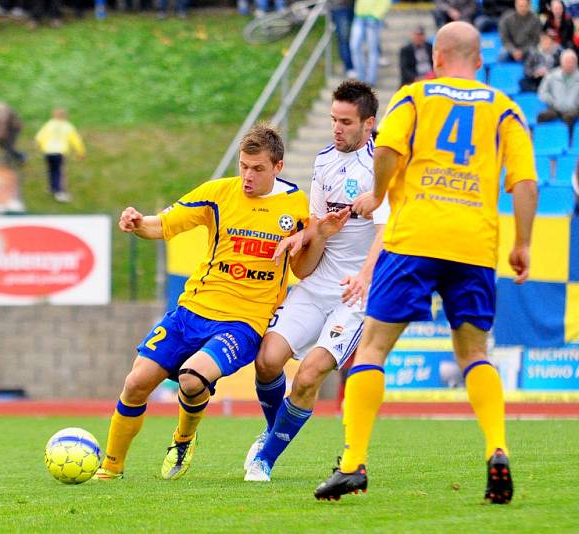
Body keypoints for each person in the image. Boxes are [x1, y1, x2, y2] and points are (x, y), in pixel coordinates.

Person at [314, 21, 538, 504]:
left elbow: (390, 150)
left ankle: (353, 464)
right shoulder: (506, 109)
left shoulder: (415, 97)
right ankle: (497, 449)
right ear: (480, 62)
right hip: (474, 244)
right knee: (475, 354)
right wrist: (522, 243)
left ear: (436, 57)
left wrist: (377, 194)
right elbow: (525, 184)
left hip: (414, 238)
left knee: (373, 348)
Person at [93, 124, 311, 481]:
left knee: (191, 380)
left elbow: (317, 232)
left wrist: (304, 234)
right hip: (191, 310)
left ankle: (183, 439)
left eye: (257, 168)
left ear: (278, 167)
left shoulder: (297, 204)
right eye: (243, 166)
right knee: (136, 383)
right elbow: (164, 224)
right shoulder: (218, 194)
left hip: (242, 323)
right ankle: (111, 468)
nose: (247, 176)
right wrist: (137, 223)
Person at [242, 80, 388, 483]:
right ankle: (274, 434)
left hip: (356, 293)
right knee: (267, 360)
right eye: (333, 120)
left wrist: (363, 276)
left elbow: (386, 233)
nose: (336, 129)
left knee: (308, 375)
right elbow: (316, 233)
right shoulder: (324, 162)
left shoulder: (382, 167)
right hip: (318, 282)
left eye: (345, 122)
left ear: (368, 123)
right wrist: (306, 235)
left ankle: (265, 459)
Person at [34, 108, 86, 203]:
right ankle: (59, 192)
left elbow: (39, 137)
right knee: (58, 171)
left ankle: (52, 187)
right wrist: (80, 151)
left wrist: (40, 147)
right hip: (59, 151)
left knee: (51, 169)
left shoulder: (49, 125)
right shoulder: (67, 126)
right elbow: (75, 139)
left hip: (48, 151)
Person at [350, 0, 391, 86]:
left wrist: (377, 15)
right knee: (355, 46)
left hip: (373, 18)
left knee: (372, 49)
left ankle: (370, 80)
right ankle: (360, 77)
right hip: (359, 16)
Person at [537, 49, 579, 129]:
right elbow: (542, 92)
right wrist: (553, 101)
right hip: (555, 108)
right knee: (542, 116)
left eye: (572, 62)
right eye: (567, 61)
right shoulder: (551, 75)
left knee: (569, 117)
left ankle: (570, 140)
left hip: (574, 109)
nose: (569, 64)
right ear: (561, 62)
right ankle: (543, 139)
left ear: (575, 63)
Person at [330, 0, 356, 79]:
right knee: (344, 38)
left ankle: (351, 65)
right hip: (339, 7)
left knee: (350, 38)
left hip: (353, 6)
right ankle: (349, 66)